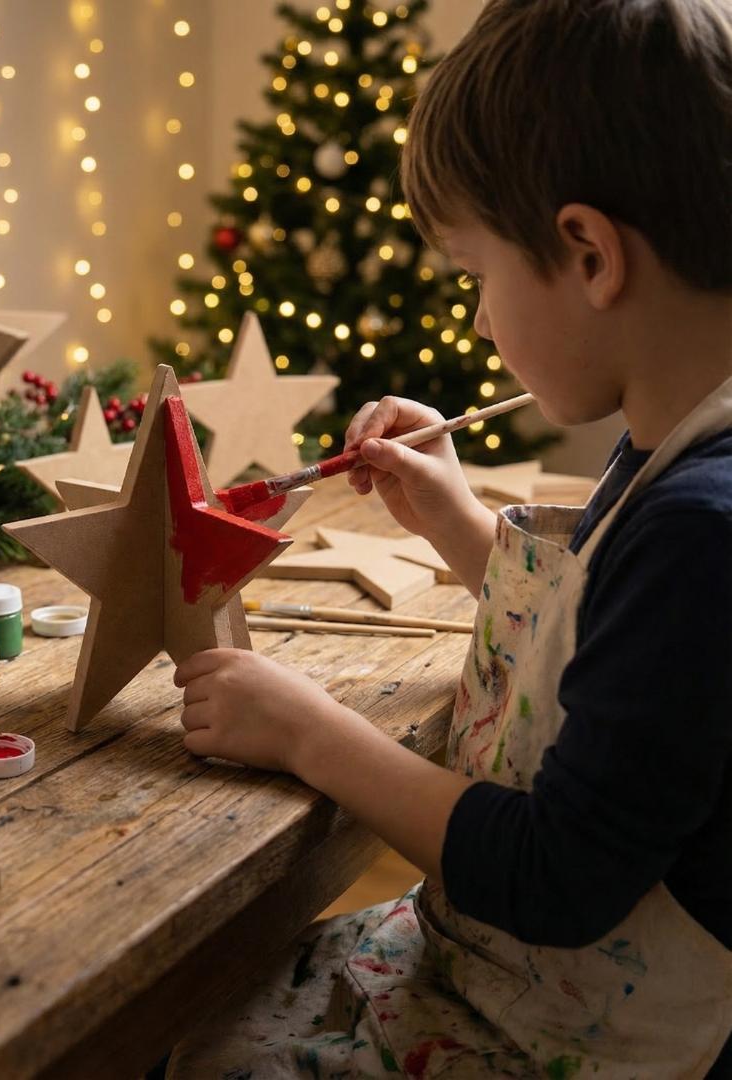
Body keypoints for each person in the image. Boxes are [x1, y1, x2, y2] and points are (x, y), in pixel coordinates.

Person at [164, 0, 732, 1075]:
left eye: (476, 278)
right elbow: (608, 641)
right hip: (505, 978)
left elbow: (555, 877)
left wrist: (310, 735)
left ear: (588, 254)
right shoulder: (681, 444)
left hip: (579, 1037)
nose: (474, 322)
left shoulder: (704, 532)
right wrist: (459, 524)